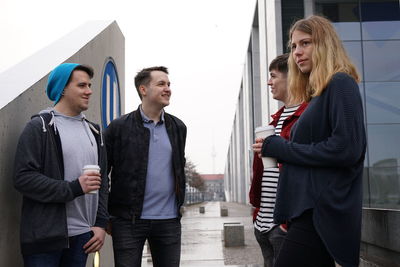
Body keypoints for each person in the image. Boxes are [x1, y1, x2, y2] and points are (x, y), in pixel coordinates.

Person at [253, 15, 366, 267]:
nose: (297, 52)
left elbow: (347, 148)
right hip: (307, 211)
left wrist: (281, 148)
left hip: (319, 213)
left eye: (306, 43)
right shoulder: (320, 93)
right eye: (293, 46)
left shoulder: (341, 83)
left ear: (324, 44)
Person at [14, 63, 109, 267]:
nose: (89, 91)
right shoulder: (39, 127)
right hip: (44, 239)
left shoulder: (95, 131)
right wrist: (74, 188)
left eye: (90, 85)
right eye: (82, 85)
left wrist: (101, 224)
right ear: (63, 88)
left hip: (84, 236)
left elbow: (102, 184)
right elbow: (23, 178)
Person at [105, 66, 187, 267]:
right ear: (143, 90)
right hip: (128, 221)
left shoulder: (178, 127)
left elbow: (179, 170)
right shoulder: (119, 127)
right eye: (161, 84)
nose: (167, 88)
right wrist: (104, 215)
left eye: (169, 84)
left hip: (169, 221)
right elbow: (102, 172)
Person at [249, 53, 307, 267]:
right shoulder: (275, 120)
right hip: (263, 223)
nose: (268, 82)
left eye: (273, 76)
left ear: (290, 77)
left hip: (284, 224)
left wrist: (286, 224)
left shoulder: (308, 115)